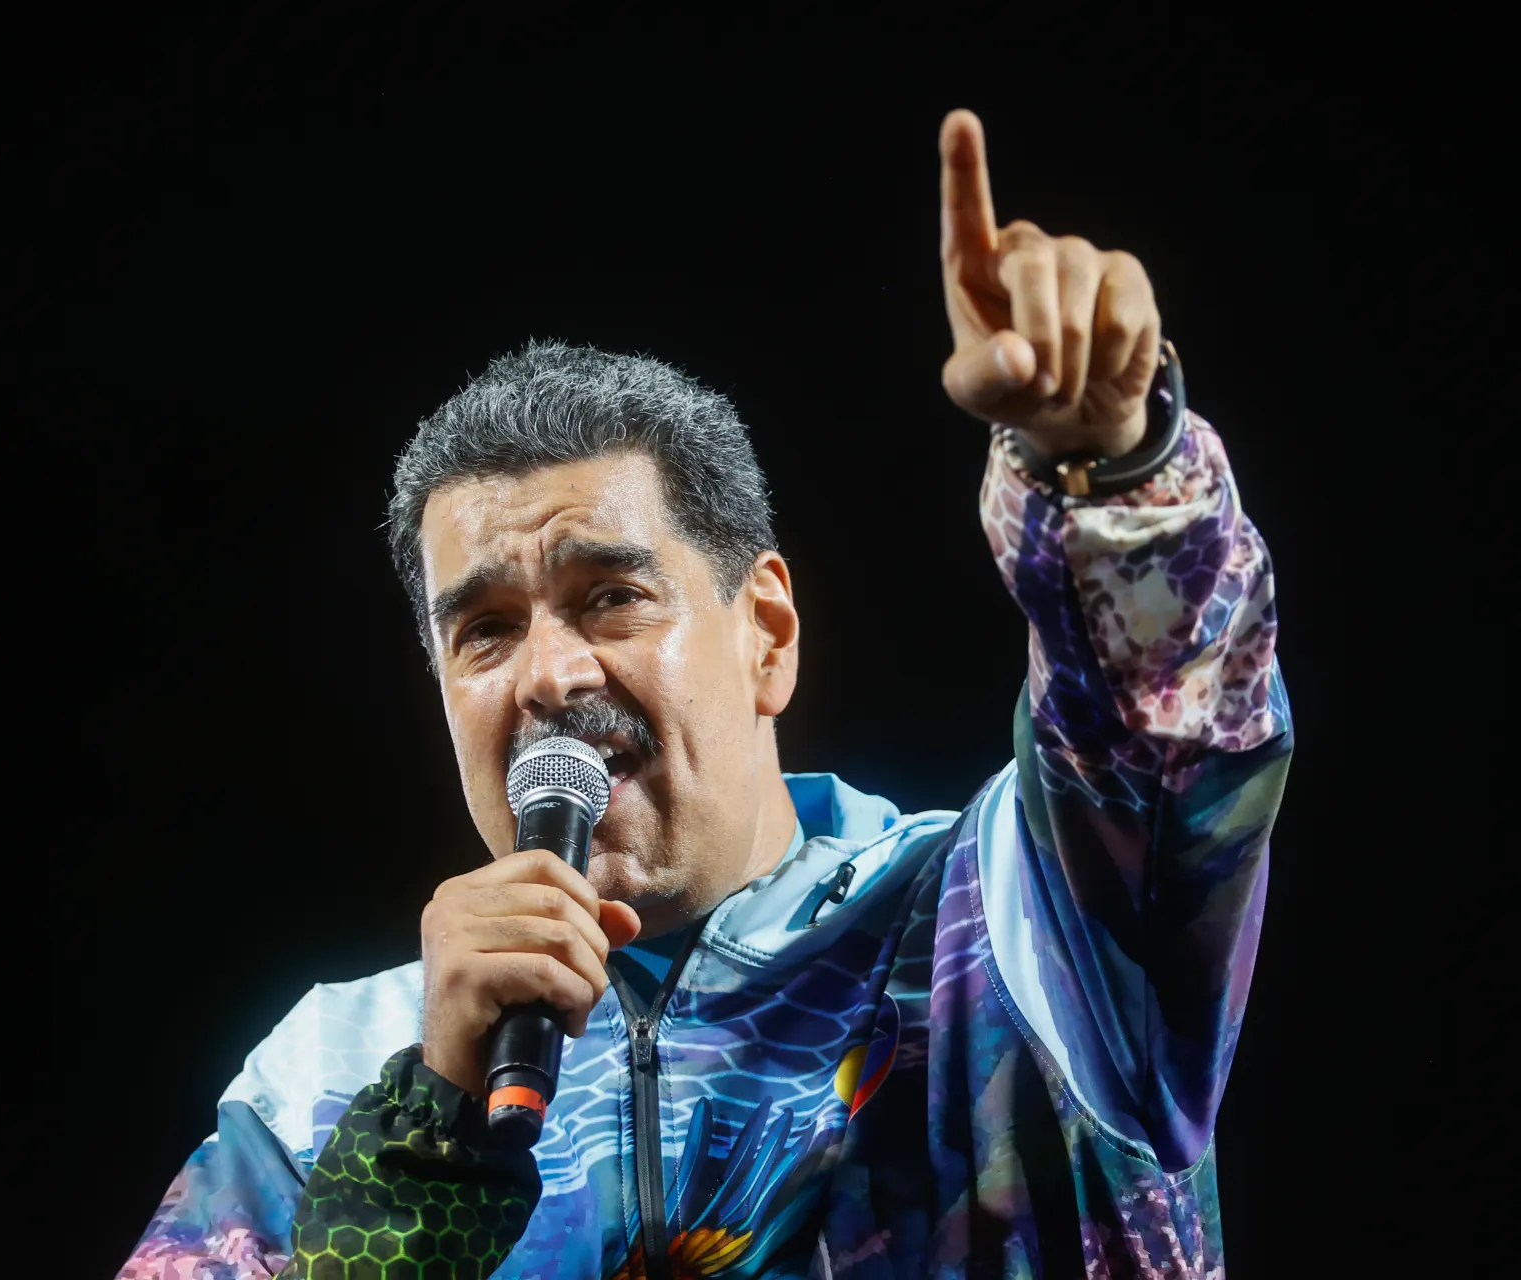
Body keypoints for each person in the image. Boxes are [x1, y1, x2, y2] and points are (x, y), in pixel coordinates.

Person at [115, 109, 1291, 1280]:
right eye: (486, 630)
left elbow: (1163, 733)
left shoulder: (1002, 926)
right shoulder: (319, 1083)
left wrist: (1117, 475)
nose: (550, 674)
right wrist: (429, 1135)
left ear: (766, 634)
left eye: (612, 596)